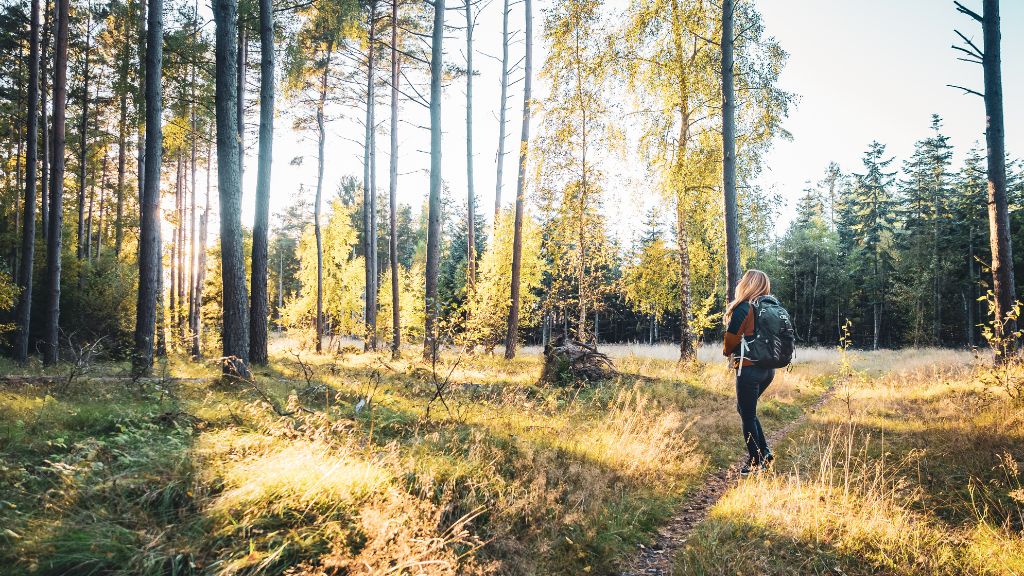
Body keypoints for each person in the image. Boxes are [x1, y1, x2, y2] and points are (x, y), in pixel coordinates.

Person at [723, 269, 776, 475]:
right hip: (768, 370)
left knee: (747, 415)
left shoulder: (744, 307)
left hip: (748, 370)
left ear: (747, 284)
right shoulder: (770, 307)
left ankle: (756, 462)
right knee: (747, 410)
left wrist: (728, 349)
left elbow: (729, 343)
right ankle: (765, 452)